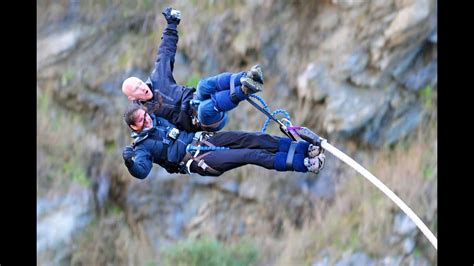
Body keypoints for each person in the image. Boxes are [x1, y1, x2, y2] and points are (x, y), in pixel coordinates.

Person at [121, 6, 264, 132]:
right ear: (132, 97)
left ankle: (247, 77)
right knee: (204, 108)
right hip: (201, 122)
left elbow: (165, 52)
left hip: (195, 99)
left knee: (203, 85)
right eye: (136, 89)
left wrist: (171, 25)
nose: (142, 87)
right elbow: (151, 137)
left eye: (140, 83)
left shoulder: (158, 78)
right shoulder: (143, 116)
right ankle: (245, 90)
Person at [121, 104, 325, 179]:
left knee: (253, 138)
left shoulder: (160, 119)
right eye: (141, 120)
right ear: (134, 127)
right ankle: (305, 164)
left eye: (145, 115)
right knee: (249, 154)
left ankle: (305, 149)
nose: (146, 119)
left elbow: (164, 69)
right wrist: (130, 163)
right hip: (196, 159)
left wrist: (172, 26)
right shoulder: (141, 148)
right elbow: (142, 171)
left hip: (203, 139)